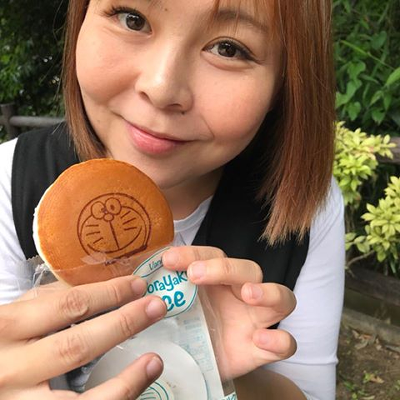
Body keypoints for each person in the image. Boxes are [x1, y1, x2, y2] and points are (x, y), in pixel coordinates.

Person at [0, 0, 345, 399]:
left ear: (285, 83)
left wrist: (209, 366)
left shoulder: (306, 206)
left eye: (228, 48)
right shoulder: (11, 180)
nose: (162, 88)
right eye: (133, 20)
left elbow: (311, 391)